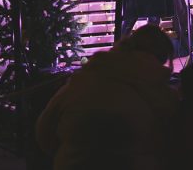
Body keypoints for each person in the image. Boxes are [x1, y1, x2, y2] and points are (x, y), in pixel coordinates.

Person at [35, 25, 181, 169]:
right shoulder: (161, 96)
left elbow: (44, 132)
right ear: (162, 58)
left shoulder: (82, 81)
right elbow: (172, 148)